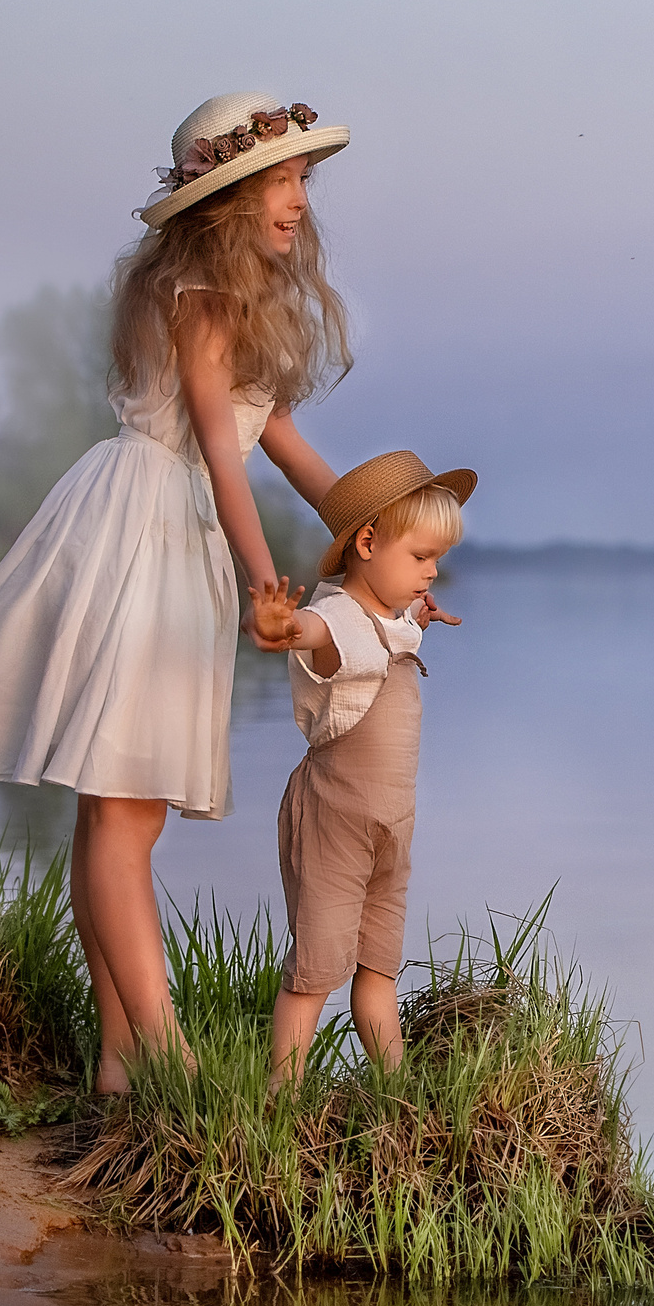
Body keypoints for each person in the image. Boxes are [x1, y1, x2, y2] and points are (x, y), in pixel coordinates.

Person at [0, 92, 354, 1093]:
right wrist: (261, 578)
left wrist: (368, 525)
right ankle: (161, 1050)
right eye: (281, 180)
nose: (298, 199)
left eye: (302, 181)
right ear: (229, 196)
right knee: (121, 816)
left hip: (170, 532)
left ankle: (119, 1054)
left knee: (119, 816)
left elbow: (278, 446)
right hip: (145, 528)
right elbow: (210, 440)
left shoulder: (235, 305)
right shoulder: (198, 295)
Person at [249, 451, 475, 1080]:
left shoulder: (390, 619)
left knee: (379, 965)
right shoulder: (335, 617)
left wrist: (417, 618)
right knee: (316, 968)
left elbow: (392, 632)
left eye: (438, 560)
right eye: (421, 557)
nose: (433, 573)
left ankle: (396, 1092)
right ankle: (281, 1099)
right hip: (335, 824)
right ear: (369, 542)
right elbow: (315, 633)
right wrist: (281, 624)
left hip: (390, 828)